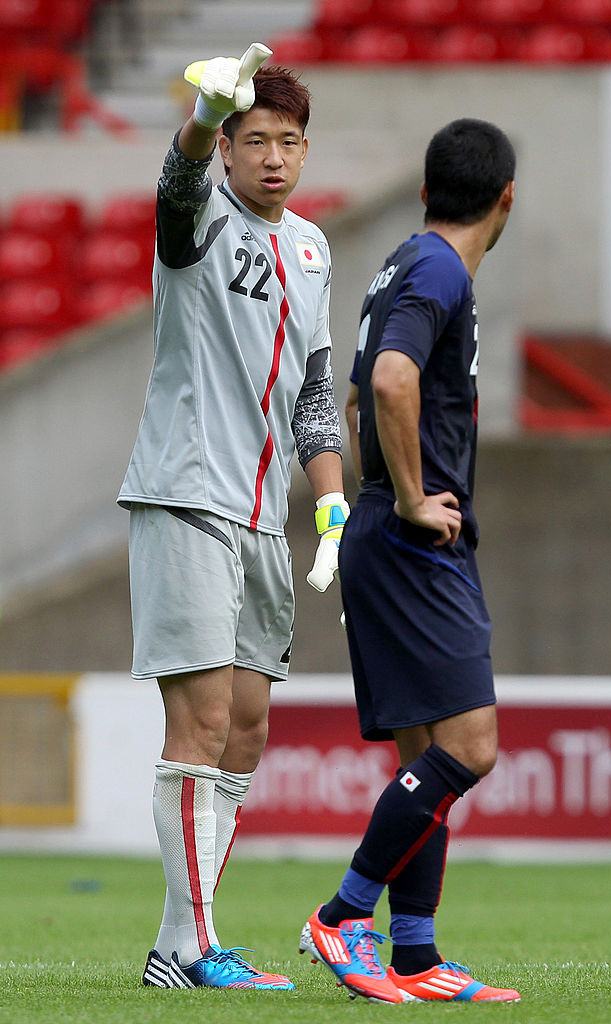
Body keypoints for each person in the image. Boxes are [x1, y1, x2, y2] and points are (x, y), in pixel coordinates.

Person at [118, 44, 349, 992]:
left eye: (288, 141)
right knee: (202, 721)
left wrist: (331, 495)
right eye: (253, 139)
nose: (272, 158)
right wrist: (202, 113)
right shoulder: (200, 217)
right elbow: (174, 185)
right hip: (185, 492)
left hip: (263, 518)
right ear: (229, 148)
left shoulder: (313, 247)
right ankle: (192, 948)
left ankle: (179, 944)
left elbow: (315, 392)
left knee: (247, 728)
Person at [299, 118, 520, 1004]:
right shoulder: (439, 269)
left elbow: (354, 397)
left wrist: (384, 495)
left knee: (425, 752)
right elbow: (388, 383)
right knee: (471, 747)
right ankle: (344, 914)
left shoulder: (399, 261)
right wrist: (419, 498)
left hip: (383, 530)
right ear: (507, 198)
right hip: (414, 537)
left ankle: (417, 955)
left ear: (428, 190)